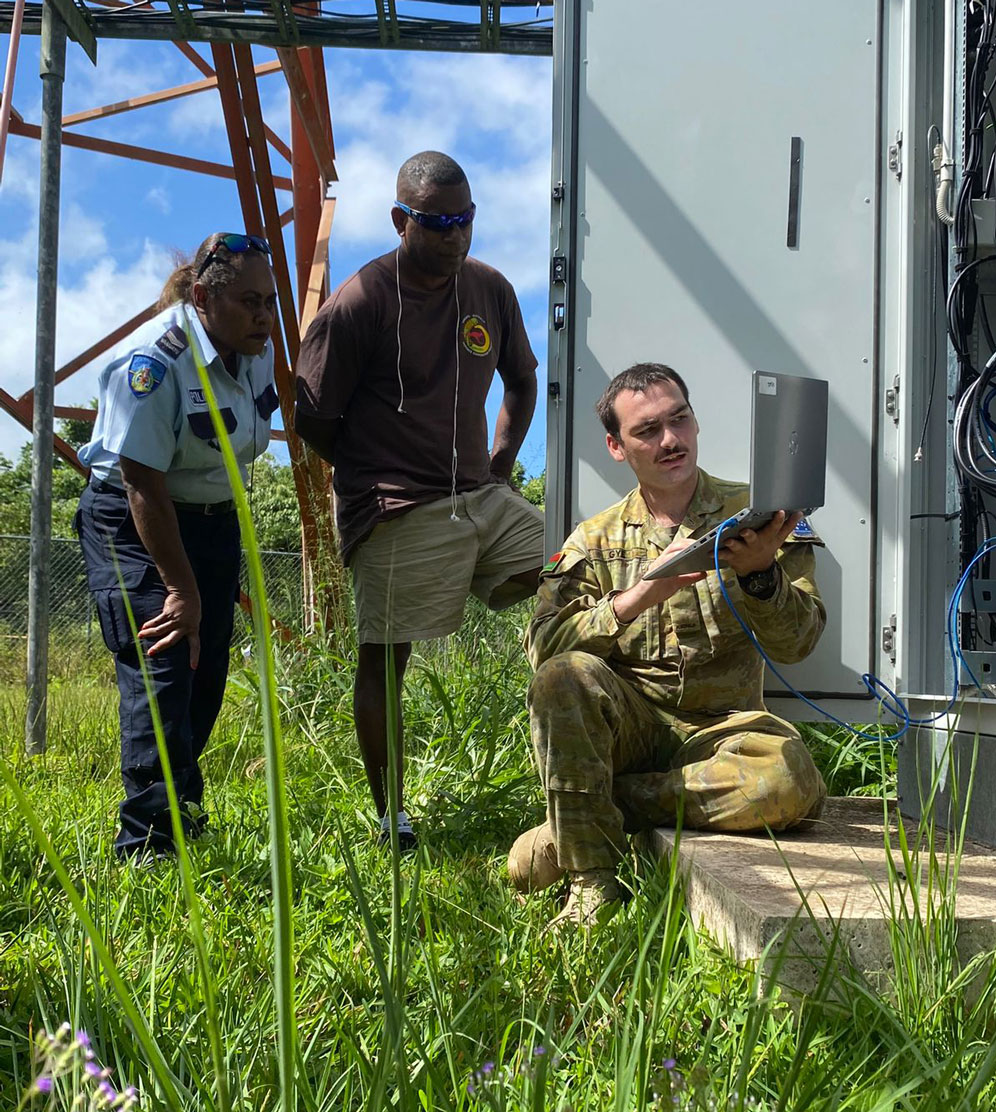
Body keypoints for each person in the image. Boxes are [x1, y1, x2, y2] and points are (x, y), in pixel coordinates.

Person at [511, 363, 827, 928]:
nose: (671, 440)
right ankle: (592, 889)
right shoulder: (593, 538)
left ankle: (603, 807)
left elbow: (799, 642)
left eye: (679, 420)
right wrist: (638, 596)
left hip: (725, 731)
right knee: (562, 678)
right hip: (631, 727)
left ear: (695, 421)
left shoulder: (760, 515)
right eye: (648, 430)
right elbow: (544, 647)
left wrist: (760, 576)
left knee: (789, 780)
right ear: (616, 446)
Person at [295, 151, 544, 848]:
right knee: (385, 657)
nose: (456, 236)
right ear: (402, 220)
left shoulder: (489, 290)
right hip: (398, 507)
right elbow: (312, 415)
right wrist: (374, 470)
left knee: (569, 570)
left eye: (466, 221)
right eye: (438, 224)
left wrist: (500, 463)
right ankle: (391, 816)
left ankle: (473, 584)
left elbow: (522, 381)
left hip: (479, 497)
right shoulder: (360, 302)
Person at [75, 232, 279, 861]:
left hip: (212, 522)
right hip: (135, 519)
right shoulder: (155, 363)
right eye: (249, 302)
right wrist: (180, 589)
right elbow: (141, 481)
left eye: (269, 302)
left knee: (207, 668)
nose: (263, 317)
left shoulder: (257, 350)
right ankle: (146, 847)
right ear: (202, 298)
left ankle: (182, 811)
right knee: (163, 664)